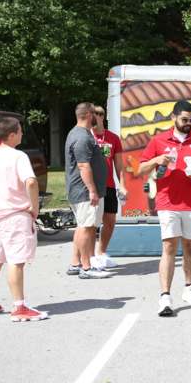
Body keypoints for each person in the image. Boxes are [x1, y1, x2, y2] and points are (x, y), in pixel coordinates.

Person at [137, 100, 191, 317]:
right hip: (168, 202)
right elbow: (140, 167)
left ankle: (190, 288)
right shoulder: (159, 140)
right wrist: (157, 159)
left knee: (190, 246)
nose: (189, 123)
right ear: (173, 117)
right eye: (184, 120)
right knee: (169, 246)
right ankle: (165, 296)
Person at [0, 116, 48, 321]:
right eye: (19, 130)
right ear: (11, 135)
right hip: (14, 215)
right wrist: (34, 207)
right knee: (16, 261)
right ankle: (19, 307)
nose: (22, 133)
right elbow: (31, 182)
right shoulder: (18, 156)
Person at [65, 102, 110, 279]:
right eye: (95, 114)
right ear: (89, 115)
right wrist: (92, 190)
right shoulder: (82, 137)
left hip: (84, 191)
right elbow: (83, 166)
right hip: (85, 192)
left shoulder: (79, 133)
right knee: (86, 227)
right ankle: (86, 267)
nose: (98, 117)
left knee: (83, 226)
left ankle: (75, 264)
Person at [90, 105, 125, 268]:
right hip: (92, 186)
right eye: (94, 113)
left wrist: (122, 185)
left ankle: (101, 253)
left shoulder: (113, 138)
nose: (97, 116)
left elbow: (119, 165)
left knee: (110, 220)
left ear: (104, 116)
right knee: (89, 224)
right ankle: (86, 259)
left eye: (100, 113)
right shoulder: (86, 137)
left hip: (109, 185)